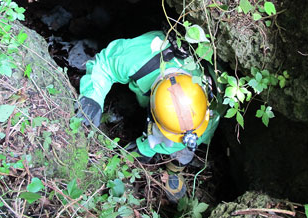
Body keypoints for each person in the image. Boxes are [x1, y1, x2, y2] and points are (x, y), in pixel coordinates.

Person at [77, 30, 220, 202]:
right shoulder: (142, 57)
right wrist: (93, 97)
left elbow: (194, 134)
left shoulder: (210, 103)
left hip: (199, 119)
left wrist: (145, 148)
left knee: (187, 145)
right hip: (145, 78)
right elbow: (106, 64)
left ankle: (176, 167)